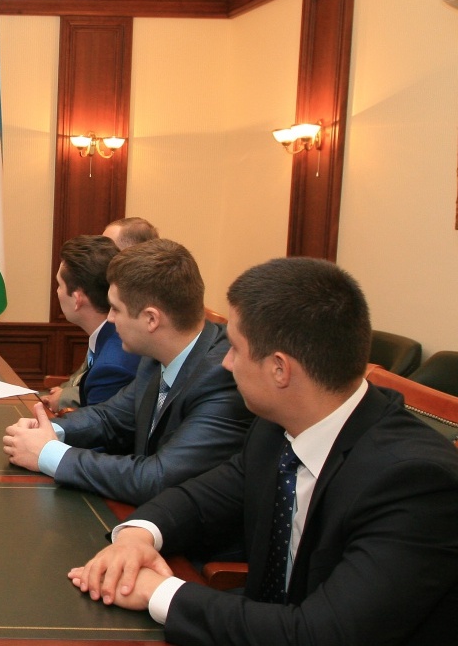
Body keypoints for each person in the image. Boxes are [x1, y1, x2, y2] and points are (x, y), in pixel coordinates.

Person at [68, 257, 458, 646]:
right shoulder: (277, 427)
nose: (225, 362)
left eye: (235, 349)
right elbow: (201, 498)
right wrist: (138, 536)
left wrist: (159, 593)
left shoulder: (415, 482)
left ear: (279, 369)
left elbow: (322, 634)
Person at [3, 239, 252, 505]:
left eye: (115, 308)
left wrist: (48, 453)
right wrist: (48, 429)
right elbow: (111, 418)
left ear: (151, 319)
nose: (109, 318)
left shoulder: (222, 377)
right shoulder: (155, 356)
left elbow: (157, 478)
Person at [41, 235, 142, 412]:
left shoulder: (112, 365)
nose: (57, 292)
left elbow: (97, 426)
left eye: (59, 285)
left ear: (77, 299)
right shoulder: (107, 335)